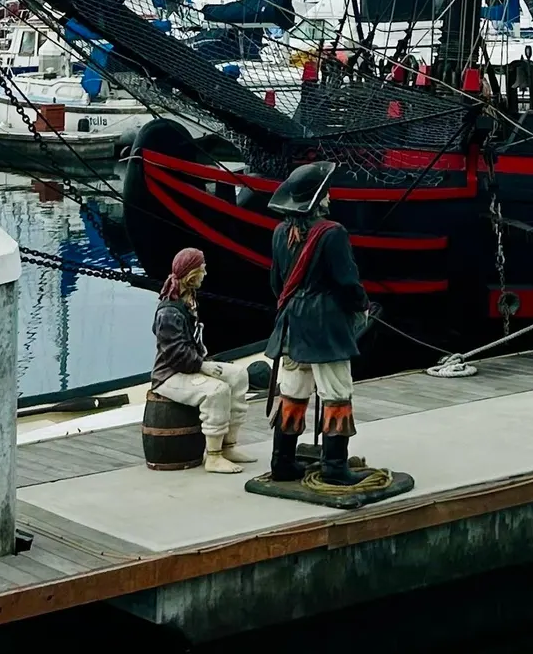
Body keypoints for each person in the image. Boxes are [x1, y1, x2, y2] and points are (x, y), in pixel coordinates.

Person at [264, 160, 373, 487]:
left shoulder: (280, 232)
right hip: (325, 325)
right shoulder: (332, 233)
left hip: (291, 323)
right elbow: (347, 282)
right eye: (326, 191)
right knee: (337, 392)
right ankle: (335, 467)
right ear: (319, 198)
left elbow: (276, 283)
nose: (330, 196)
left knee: (293, 392)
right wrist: (362, 305)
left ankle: (282, 462)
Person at [149, 247, 253, 467]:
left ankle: (229, 445)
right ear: (191, 275)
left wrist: (203, 362)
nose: (205, 274)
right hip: (169, 375)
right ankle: (214, 456)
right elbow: (175, 354)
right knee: (216, 391)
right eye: (202, 270)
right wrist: (202, 366)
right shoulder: (169, 312)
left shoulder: (189, 300)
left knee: (238, 376)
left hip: (191, 365)